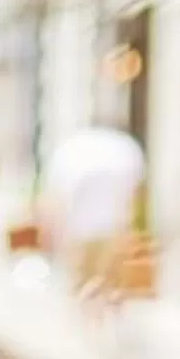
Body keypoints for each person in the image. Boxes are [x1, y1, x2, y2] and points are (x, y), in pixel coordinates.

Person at [43, 122, 146, 324]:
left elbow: (56, 198)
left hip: (79, 231)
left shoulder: (71, 151)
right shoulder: (123, 150)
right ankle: (103, 322)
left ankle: (90, 323)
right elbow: (136, 193)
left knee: (84, 282)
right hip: (111, 229)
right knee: (108, 283)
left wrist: (54, 232)